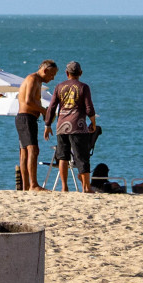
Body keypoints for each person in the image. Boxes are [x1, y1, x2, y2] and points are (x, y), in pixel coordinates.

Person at [45, 60, 96, 193]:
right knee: (82, 157)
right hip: (78, 126)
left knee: (62, 156)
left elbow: (52, 107)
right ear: (80, 73)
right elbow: (89, 107)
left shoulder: (59, 86)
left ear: (67, 73)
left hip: (61, 126)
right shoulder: (84, 87)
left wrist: (47, 124)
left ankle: (64, 187)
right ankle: (86, 187)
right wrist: (93, 122)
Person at [14, 60, 57, 191]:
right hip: (26, 118)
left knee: (24, 152)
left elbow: (32, 101)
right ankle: (33, 185)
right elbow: (28, 101)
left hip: (25, 118)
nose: (53, 78)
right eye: (51, 74)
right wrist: (45, 111)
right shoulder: (33, 79)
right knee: (33, 150)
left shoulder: (36, 80)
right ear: (45, 70)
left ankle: (26, 186)